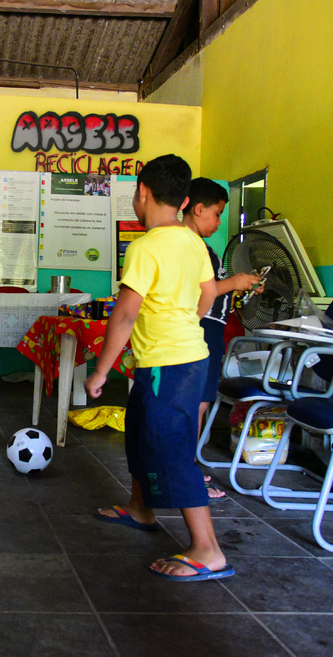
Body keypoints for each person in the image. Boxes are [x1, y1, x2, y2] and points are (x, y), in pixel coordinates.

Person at [84, 154, 233, 581]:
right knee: (140, 435)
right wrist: (182, 319)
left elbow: (125, 314)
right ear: (185, 200)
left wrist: (99, 371)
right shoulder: (193, 242)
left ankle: (207, 549)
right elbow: (207, 296)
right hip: (178, 360)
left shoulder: (145, 247)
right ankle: (140, 508)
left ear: (142, 194)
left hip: (170, 364)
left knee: (172, 448)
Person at [182, 177, 263, 500]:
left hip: (211, 330)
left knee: (199, 403)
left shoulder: (200, 248)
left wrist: (239, 286)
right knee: (195, 404)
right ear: (198, 209)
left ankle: (185, 464)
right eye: (216, 214)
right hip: (200, 331)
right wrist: (234, 282)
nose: (218, 222)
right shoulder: (189, 247)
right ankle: (185, 468)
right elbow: (196, 292)